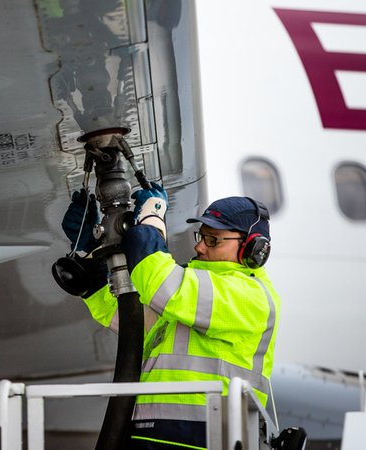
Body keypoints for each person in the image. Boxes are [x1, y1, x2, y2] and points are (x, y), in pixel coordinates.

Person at [61, 184, 281, 449]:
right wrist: (90, 260)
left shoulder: (250, 295)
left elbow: (162, 283)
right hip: (157, 436)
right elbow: (131, 321)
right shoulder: (193, 297)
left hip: (205, 440)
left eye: (213, 240)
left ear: (253, 249)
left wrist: (152, 218)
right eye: (201, 236)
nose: (200, 247)